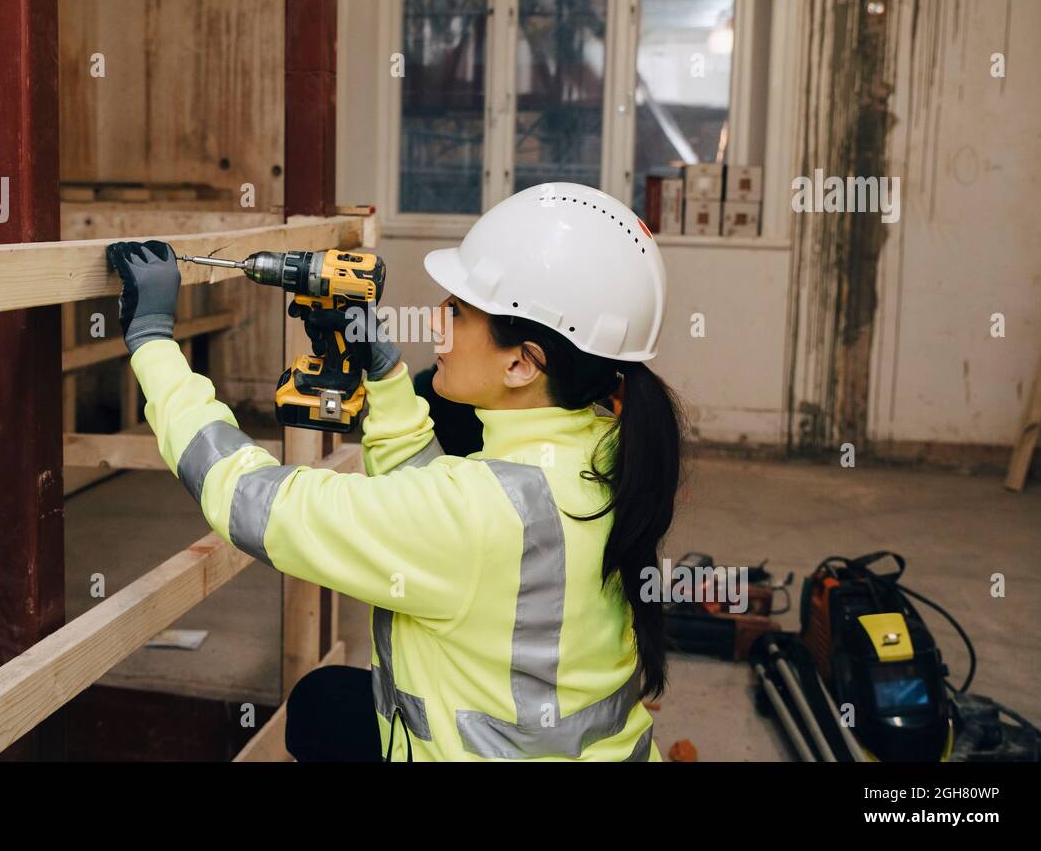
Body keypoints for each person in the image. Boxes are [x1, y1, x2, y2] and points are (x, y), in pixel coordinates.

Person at [108, 182, 685, 761]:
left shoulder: (475, 515)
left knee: (323, 711)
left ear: (520, 362)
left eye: (457, 312)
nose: (434, 321)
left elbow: (251, 501)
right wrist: (382, 375)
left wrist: (154, 344)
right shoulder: (606, 446)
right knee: (327, 703)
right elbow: (442, 510)